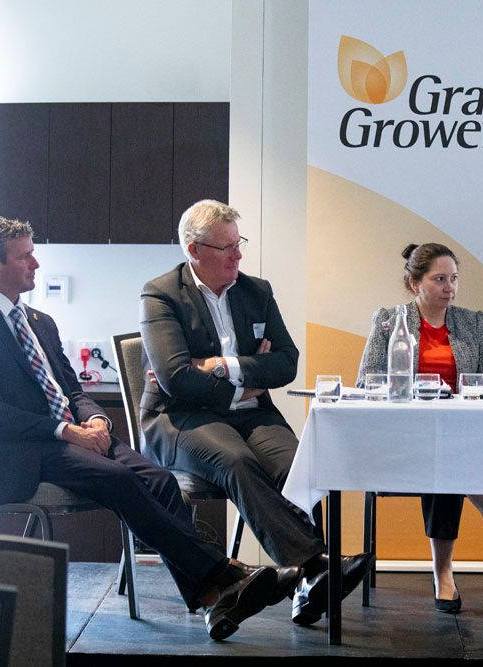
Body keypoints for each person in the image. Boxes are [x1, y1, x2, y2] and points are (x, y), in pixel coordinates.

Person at [0, 216, 286, 641]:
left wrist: (95, 419)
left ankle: (210, 593)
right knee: (121, 479)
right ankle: (222, 573)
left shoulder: (38, 320)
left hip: (72, 434)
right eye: (24, 256)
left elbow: (71, 388)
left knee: (160, 481)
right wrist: (65, 431)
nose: (36, 263)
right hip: (20, 451)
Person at [139, 199, 372, 627]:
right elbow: (176, 379)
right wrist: (249, 378)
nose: (238, 255)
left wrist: (223, 366)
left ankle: (307, 584)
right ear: (194, 250)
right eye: (226, 247)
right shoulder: (161, 294)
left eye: (238, 243)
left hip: (249, 413)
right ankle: (315, 569)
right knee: (237, 460)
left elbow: (286, 363)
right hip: (180, 418)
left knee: (296, 465)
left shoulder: (256, 291)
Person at [355, 242, 483, 613]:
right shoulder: (389, 320)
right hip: (403, 438)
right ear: (415, 283)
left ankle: (443, 572)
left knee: (446, 452)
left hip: (460, 435)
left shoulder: (473, 322)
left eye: (454, 279)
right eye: (440, 279)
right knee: (445, 451)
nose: (450, 288)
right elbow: (367, 380)